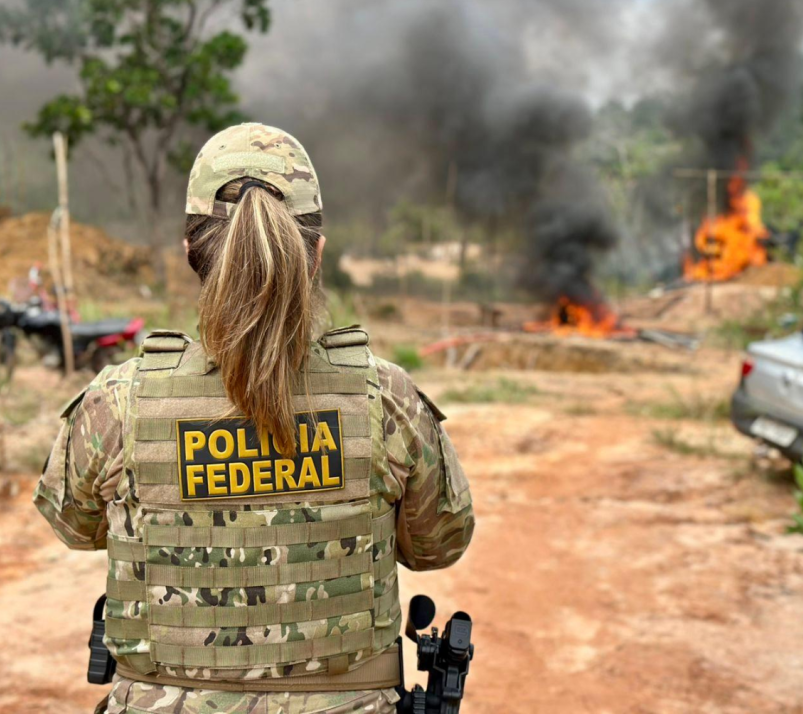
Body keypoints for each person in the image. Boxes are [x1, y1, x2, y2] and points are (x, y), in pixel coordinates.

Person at [33, 123, 475, 714]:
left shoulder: (117, 403)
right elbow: (437, 545)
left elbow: (75, 527)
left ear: (190, 253)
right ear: (317, 254)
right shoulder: (386, 397)